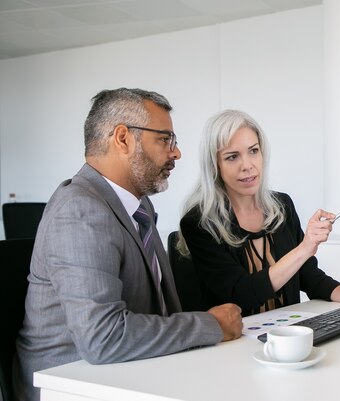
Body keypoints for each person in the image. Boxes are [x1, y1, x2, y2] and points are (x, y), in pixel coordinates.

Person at [13, 89, 243, 401]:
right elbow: (103, 338)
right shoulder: (79, 210)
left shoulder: (139, 206)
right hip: (71, 385)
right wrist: (210, 325)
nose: (177, 153)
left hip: (129, 373)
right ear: (123, 139)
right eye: (166, 139)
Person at [178, 110, 340, 316]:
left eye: (253, 151)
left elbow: (312, 279)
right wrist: (304, 248)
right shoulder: (198, 224)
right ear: (214, 166)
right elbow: (241, 294)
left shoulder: (282, 206)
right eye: (232, 157)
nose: (247, 166)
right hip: (234, 342)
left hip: (285, 335)